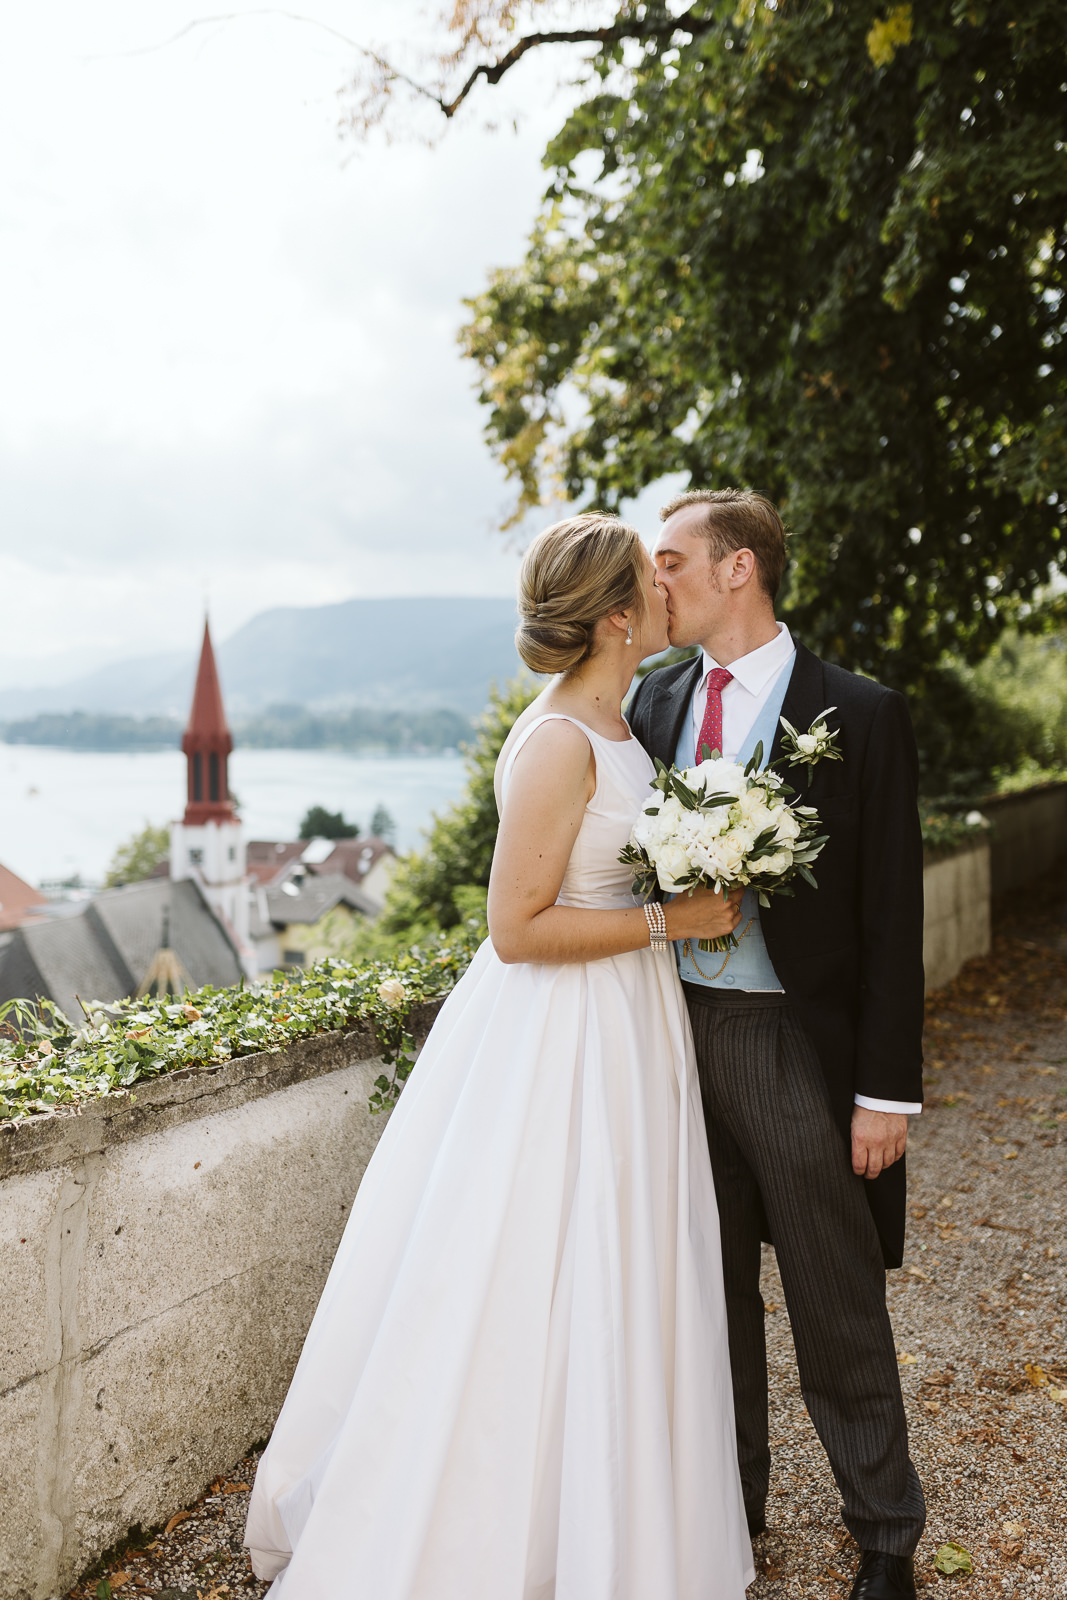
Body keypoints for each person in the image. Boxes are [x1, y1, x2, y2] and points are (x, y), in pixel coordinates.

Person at [244, 512, 755, 1599]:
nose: (671, 591)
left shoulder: (624, 724)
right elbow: (516, 929)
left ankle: (613, 1521)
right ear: (618, 618)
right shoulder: (560, 740)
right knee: (536, 1267)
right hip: (560, 1041)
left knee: (625, 1269)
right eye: (650, 581)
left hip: (630, 1025)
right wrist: (673, 923)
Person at [627, 489, 926, 1600]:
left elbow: (893, 917)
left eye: (669, 560)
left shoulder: (859, 712)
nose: (651, 581)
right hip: (664, 1041)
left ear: (737, 567)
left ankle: (886, 1534)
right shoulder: (648, 706)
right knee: (704, 1299)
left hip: (790, 1042)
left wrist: (884, 1094)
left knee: (832, 1294)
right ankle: (728, 1516)